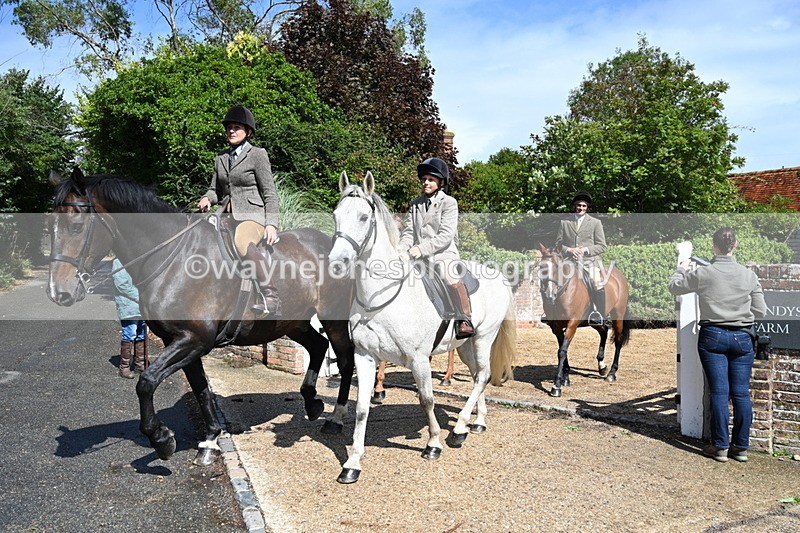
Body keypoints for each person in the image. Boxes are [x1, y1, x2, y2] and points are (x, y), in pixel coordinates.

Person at [668, 227, 767, 463]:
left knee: (720, 392)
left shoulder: (705, 274)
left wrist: (680, 268)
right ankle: (741, 447)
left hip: (713, 335)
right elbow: (761, 311)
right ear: (736, 245)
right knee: (741, 393)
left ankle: (720, 446)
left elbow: (674, 286)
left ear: (714, 246)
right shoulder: (749, 275)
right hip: (743, 337)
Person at [196, 105, 281, 316]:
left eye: (236, 127)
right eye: (229, 128)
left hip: (253, 217)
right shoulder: (221, 158)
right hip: (225, 216)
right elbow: (215, 190)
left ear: (248, 132)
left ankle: (271, 295)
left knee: (242, 242)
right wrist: (208, 198)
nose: (231, 131)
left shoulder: (257, 155)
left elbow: (270, 192)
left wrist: (271, 223)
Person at [398, 157, 474, 339]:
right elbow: (409, 231)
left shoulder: (449, 203)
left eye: (431, 179)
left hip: (443, 253)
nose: (426, 182)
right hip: (417, 254)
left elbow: (446, 235)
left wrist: (421, 249)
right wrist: (401, 248)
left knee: (448, 275)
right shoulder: (415, 204)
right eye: (424, 179)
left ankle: (464, 319)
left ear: (440, 182)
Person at [554, 191, 607, 325]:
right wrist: (569, 250)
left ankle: (599, 314)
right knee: (554, 279)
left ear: (587, 207)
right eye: (579, 205)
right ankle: (550, 312)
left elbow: (602, 246)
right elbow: (558, 245)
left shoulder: (595, 223)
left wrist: (585, 250)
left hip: (589, 262)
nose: (581, 208)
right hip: (569, 261)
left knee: (596, 281)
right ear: (575, 206)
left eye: (584, 206)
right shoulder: (564, 223)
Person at [112, 258, 148, 379]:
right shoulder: (119, 261)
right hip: (128, 305)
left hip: (141, 307)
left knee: (142, 334)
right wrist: (143, 297)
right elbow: (122, 285)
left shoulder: (138, 258)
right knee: (130, 334)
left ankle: (140, 364)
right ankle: (124, 367)